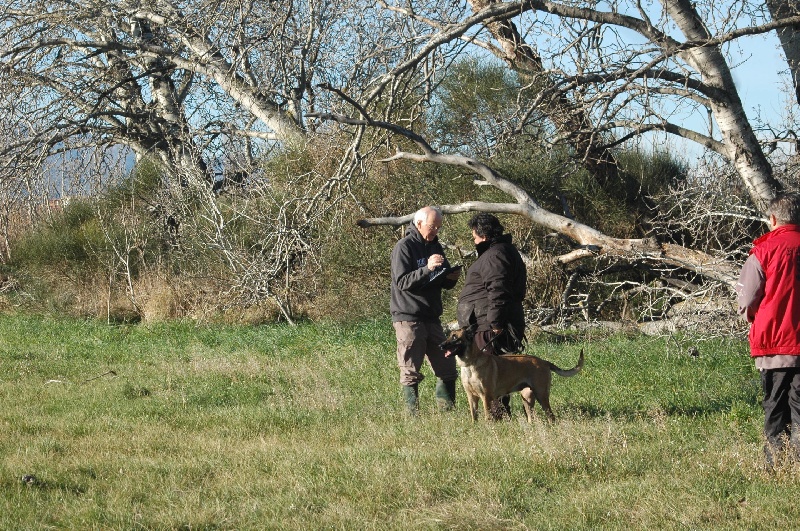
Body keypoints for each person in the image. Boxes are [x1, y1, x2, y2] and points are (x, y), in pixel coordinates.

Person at [737, 193, 800, 468]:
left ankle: (776, 465)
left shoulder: (763, 251)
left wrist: (751, 316)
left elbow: (748, 298)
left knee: (775, 407)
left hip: (775, 345)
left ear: (773, 219)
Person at [390, 206, 462, 415]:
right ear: (419, 223)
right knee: (410, 369)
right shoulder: (404, 247)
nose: (436, 231)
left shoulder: (435, 246)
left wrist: (450, 278)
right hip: (409, 317)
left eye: (439, 228)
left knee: (447, 367)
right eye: (433, 227)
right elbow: (402, 281)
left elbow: (440, 280)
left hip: (432, 317)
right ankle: (412, 416)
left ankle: (448, 412)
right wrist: (427, 269)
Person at [457, 213, 527, 418]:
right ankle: (501, 415)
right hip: (488, 322)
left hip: (490, 325)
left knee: (492, 373)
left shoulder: (494, 255)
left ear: (484, 236)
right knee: (502, 370)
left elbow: (498, 290)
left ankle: (497, 417)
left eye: (475, 238)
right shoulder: (501, 251)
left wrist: (495, 322)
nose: (475, 241)